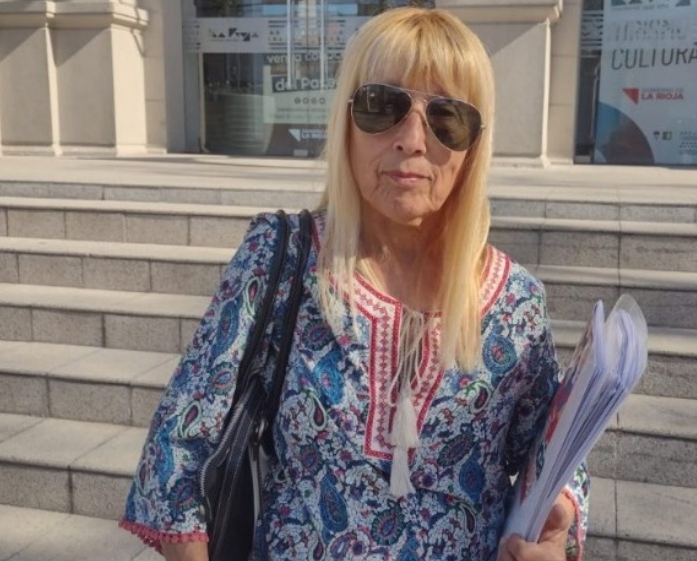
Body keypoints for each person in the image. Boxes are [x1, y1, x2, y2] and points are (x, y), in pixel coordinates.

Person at [120, 7, 589, 561]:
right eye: (382, 106)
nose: (412, 140)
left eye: (447, 118)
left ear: (473, 147)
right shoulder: (282, 257)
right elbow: (177, 450)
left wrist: (559, 521)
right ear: (345, 121)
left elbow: (552, 453)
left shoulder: (517, 303)